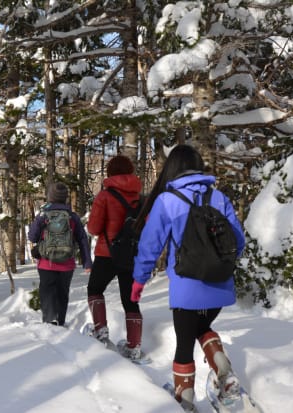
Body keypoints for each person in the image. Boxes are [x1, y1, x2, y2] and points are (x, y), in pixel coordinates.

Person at [130, 144, 246, 412]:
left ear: (174, 168)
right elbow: (237, 242)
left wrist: (139, 280)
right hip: (219, 284)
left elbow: (150, 245)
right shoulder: (219, 198)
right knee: (201, 328)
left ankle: (185, 398)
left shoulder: (167, 201)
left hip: (186, 288)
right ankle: (221, 364)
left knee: (184, 344)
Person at [86, 154, 144, 360]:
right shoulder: (141, 197)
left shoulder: (105, 196)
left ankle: (101, 332)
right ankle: (134, 346)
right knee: (130, 300)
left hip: (107, 253)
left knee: (94, 289)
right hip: (132, 255)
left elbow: (93, 228)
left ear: (110, 172)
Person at [28, 182, 92, 326]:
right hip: (66, 264)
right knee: (62, 294)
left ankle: (50, 321)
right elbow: (82, 239)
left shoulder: (43, 215)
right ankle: (60, 322)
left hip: (46, 263)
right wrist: (87, 262)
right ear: (65, 198)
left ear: (50, 197)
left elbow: (32, 237)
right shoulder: (72, 217)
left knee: (47, 292)